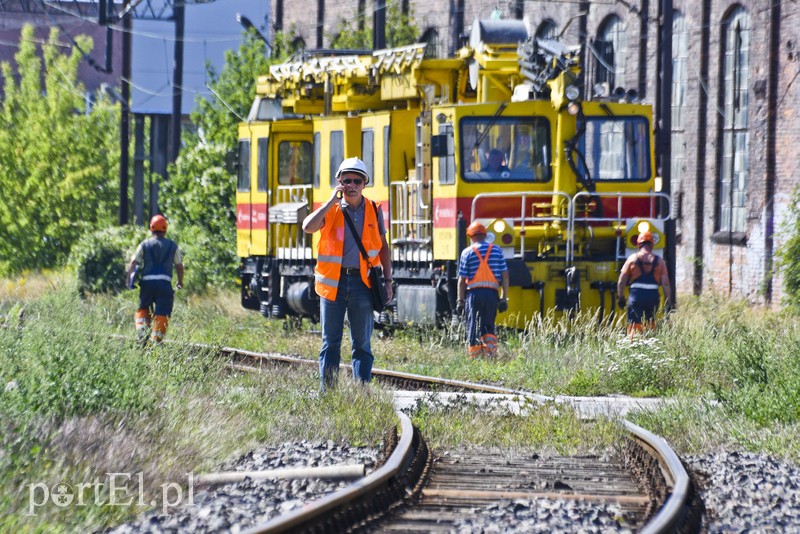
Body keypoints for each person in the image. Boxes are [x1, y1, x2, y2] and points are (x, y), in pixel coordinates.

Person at [302, 157, 393, 390]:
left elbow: (383, 248)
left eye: (356, 180)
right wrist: (331, 200)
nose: (351, 185)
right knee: (330, 343)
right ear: (339, 183)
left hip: (363, 284)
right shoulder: (330, 210)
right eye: (346, 180)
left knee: (362, 344)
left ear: (364, 184)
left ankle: (361, 394)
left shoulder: (374, 209)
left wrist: (388, 280)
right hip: (334, 284)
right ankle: (328, 395)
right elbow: (307, 227)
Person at [125, 214, 184, 345]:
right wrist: (180, 282)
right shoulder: (172, 246)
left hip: (147, 283)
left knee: (143, 308)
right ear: (165, 228)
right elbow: (179, 266)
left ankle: (141, 331)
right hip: (164, 284)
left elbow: (134, 262)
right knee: (162, 312)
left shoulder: (144, 245)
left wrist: (129, 280)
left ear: (151, 227)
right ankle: (156, 341)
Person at [456, 222, 510, 358]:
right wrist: (504, 298)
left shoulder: (467, 252)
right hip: (492, 294)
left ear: (471, 236)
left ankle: (474, 358)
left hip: (474, 294)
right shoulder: (497, 250)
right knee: (488, 326)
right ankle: (490, 355)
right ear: (485, 235)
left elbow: (461, 280)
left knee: (473, 324)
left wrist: (460, 301)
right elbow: (505, 275)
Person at [616, 231, 673, 337]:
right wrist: (668, 303)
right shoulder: (659, 261)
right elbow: (666, 284)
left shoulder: (632, 259)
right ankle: (648, 344)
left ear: (638, 244)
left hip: (636, 297)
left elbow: (621, 281)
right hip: (653, 297)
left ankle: (634, 345)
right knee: (650, 325)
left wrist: (621, 298)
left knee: (634, 325)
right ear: (652, 244)